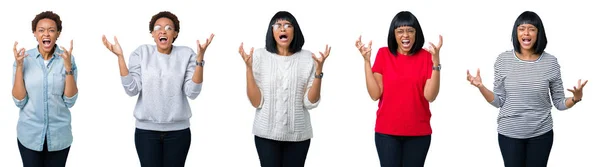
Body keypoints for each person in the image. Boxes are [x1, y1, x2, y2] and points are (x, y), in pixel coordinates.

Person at [466, 11, 588, 167]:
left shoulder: (550, 62)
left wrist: (576, 98)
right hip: (509, 134)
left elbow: (559, 103)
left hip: (541, 134)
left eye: (531, 29)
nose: (526, 33)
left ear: (538, 33)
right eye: (521, 28)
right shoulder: (503, 60)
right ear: (516, 33)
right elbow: (498, 101)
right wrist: (481, 87)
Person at [101, 11, 214, 167]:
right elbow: (132, 89)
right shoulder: (141, 53)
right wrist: (120, 57)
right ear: (153, 34)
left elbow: (192, 92)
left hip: (178, 132)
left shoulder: (186, 54)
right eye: (158, 28)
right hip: (146, 132)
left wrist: (200, 61)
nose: (163, 31)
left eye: (168, 28)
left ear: (175, 34)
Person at [238, 11, 331, 167]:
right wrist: (248, 68)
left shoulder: (308, 58)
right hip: (266, 135)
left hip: (298, 136)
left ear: (295, 31)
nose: (283, 29)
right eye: (278, 25)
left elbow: (310, 102)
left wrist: (318, 72)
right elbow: (256, 102)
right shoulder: (260, 56)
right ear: (271, 31)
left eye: (288, 25)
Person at [356, 11, 443, 167]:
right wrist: (367, 62)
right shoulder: (383, 54)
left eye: (410, 30)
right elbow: (375, 94)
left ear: (416, 33)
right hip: (387, 133)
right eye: (400, 31)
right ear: (393, 34)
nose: (406, 35)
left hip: (419, 133)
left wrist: (436, 63)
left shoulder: (426, 56)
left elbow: (430, 96)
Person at [11, 11, 78, 167]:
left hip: (59, 136)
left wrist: (68, 68)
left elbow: (70, 101)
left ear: (58, 34)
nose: (46, 34)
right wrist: (19, 67)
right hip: (29, 136)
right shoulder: (23, 59)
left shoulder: (67, 59)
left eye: (51, 30)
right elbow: (19, 101)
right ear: (35, 33)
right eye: (41, 30)